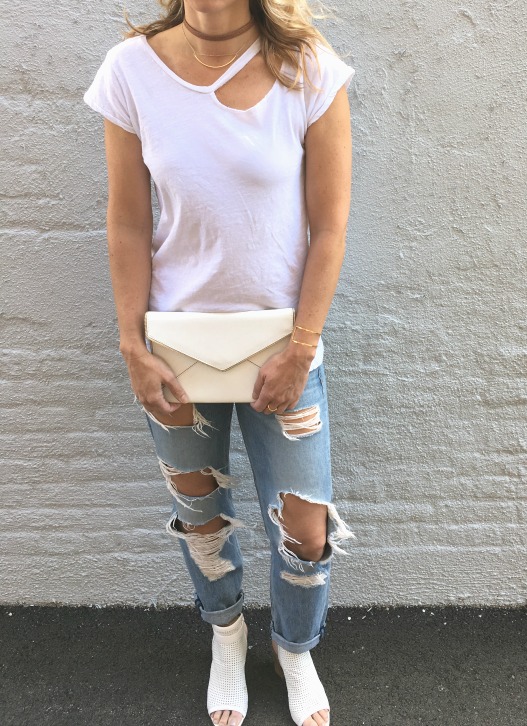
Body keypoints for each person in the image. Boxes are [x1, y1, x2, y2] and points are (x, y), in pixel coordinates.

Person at [83, 1, 355, 724]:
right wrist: (132, 347)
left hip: (284, 345)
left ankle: (294, 649)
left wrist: (301, 347)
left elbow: (330, 225)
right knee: (200, 517)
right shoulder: (130, 70)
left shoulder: (309, 67)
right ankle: (227, 637)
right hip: (175, 347)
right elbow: (128, 221)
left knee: (305, 526)